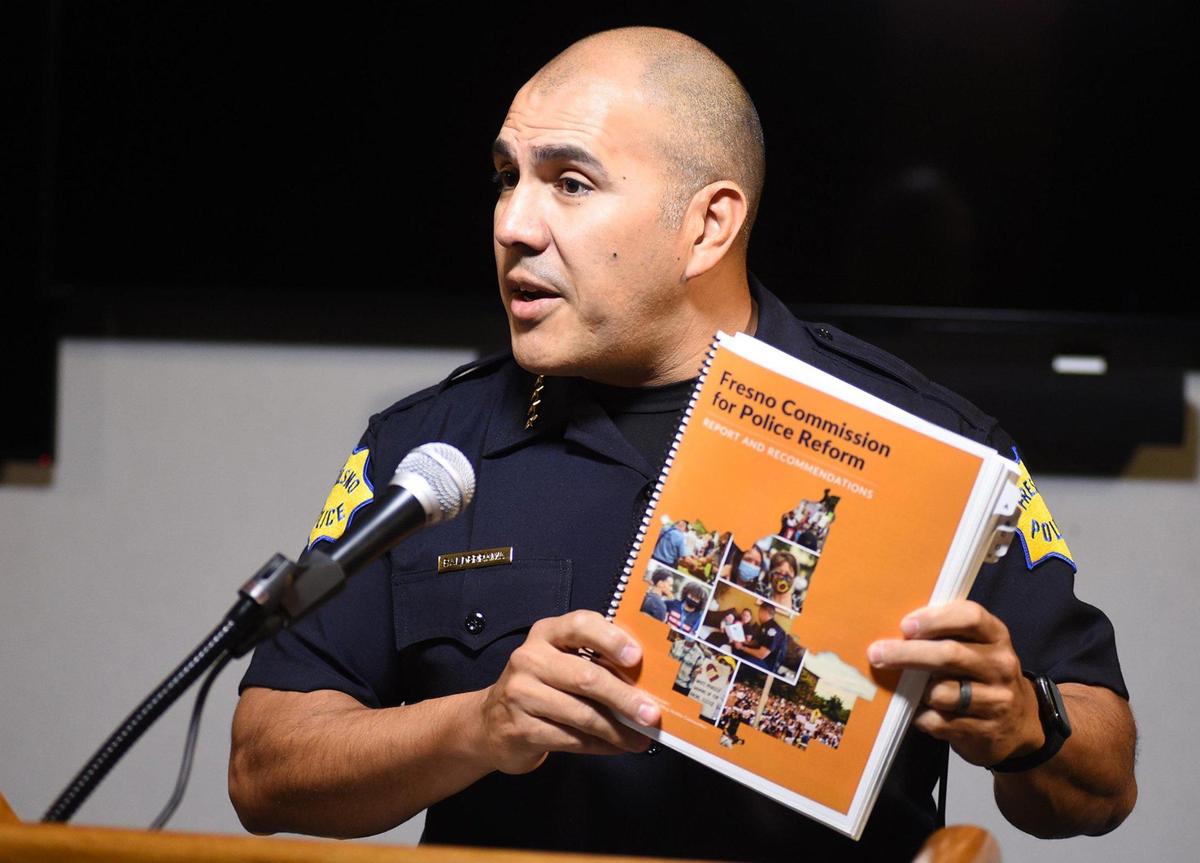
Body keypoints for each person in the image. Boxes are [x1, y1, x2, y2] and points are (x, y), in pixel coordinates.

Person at [229, 26, 1136, 861]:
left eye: (570, 183)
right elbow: (264, 768)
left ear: (707, 224)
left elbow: (1103, 781)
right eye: (508, 176)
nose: (513, 222)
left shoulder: (930, 445)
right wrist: (479, 724)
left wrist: (1024, 719)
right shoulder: (425, 452)